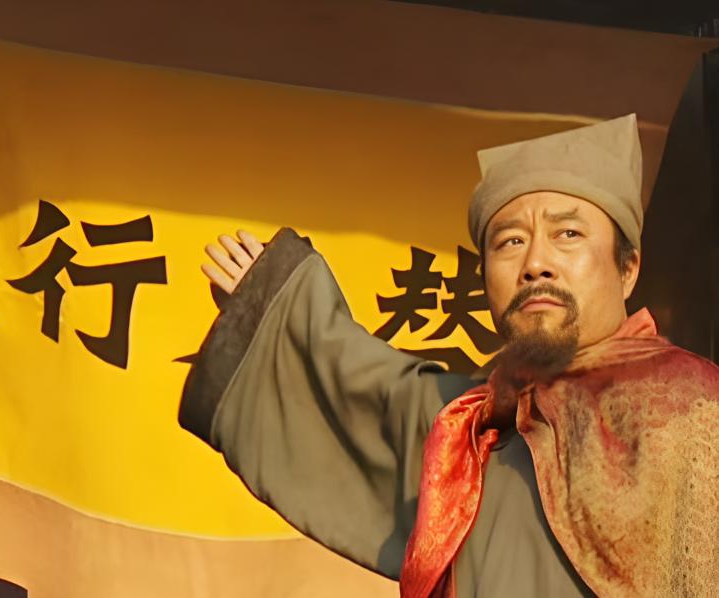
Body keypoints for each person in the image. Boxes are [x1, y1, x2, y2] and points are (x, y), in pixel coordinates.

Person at [178, 114, 719, 597]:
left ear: (628, 269)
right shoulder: (468, 430)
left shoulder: (691, 408)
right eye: (509, 242)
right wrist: (267, 302)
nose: (536, 263)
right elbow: (363, 386)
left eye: (568, 234)